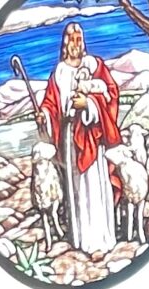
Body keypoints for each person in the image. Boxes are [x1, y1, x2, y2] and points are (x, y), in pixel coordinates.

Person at [40, 21, 122, 262]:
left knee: (94, 187)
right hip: (69, 137)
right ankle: (80, 239)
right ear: (64, 44)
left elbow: (111, 95)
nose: (75, 44)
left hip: (92, 136)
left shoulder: (95, 66)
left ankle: (100, 241)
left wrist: (89, 105)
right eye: (71, 39)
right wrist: (44, 116)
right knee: (76, 189)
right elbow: (50, 104)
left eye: (79, 39)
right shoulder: (59, 73)